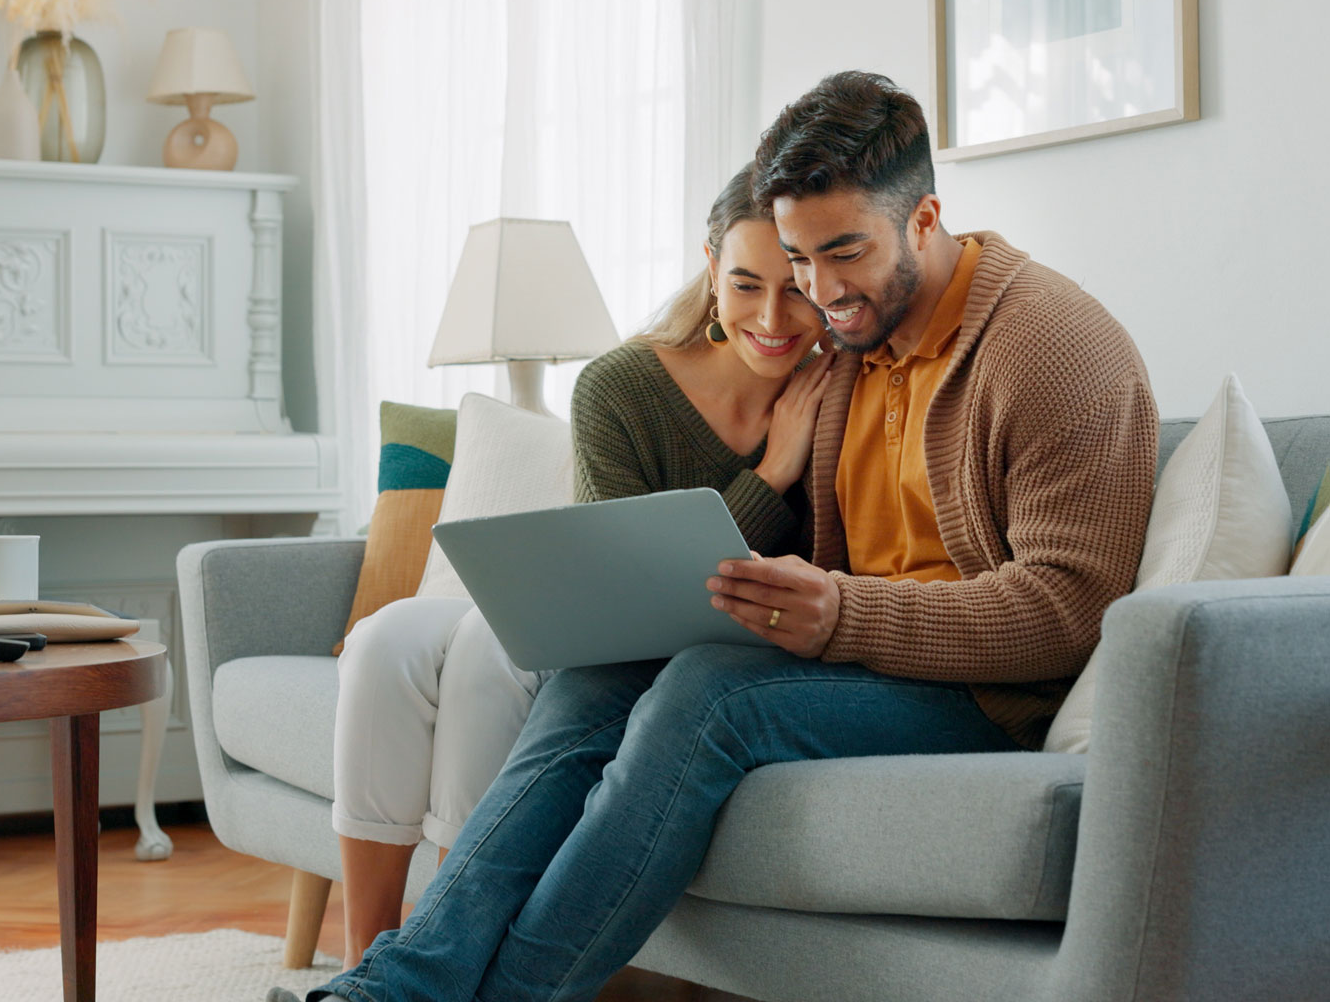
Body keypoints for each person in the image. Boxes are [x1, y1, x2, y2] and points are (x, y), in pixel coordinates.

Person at [278, 71, 1156, 1002]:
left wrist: (842, 613)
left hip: (987, 693)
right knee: (598, 675)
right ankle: (394, 986)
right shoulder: (853, 341)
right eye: (796, 258)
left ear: (926, 218)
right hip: (866, 659)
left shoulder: (1051, 348)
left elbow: (1071, 611)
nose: (818, 294)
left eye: (842, 254)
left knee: (710, 693)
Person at [323, 163, 831, 969]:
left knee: (491, 655)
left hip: (651, 648)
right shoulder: (622, 385)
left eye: (795, 288)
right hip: (593, 618)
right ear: (710, 271)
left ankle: (445, 958)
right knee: (385, 641)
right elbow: (620, 586)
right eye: (744, 285)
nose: (772, 317)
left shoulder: (836, 395)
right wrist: (770, 477)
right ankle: (367, 959)